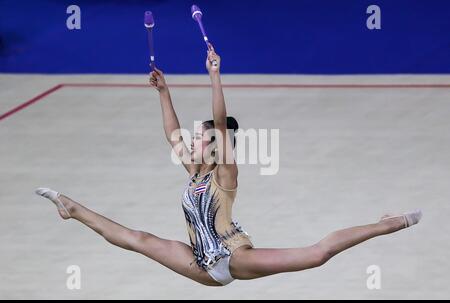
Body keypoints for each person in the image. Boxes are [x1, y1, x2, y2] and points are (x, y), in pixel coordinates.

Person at [36, 45, 422, 287]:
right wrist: (164, 91)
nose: (193, 138)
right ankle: (71, 207)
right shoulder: (195, 171)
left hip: (235, 258)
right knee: (137, 239)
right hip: (200, 264)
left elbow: (221, 122)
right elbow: (170, 131)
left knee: (317, 254)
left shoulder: (225, 173)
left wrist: (215, 76)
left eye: (200, 136)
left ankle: (390, 222)